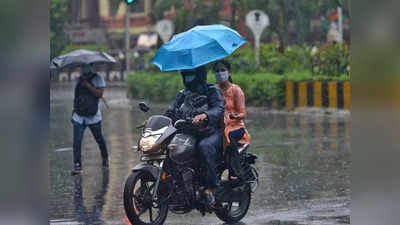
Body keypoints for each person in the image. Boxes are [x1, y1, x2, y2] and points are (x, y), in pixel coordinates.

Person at [165, 66, 224, 207]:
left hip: (210, 133)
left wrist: (206, 115)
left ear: (199, 75)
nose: (188, 78)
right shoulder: (182, 94)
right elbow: (170, 111)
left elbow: (219, 108)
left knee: (204, 148)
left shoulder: (212, 90)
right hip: (188, 132)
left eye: (191, 75)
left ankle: (210, 188)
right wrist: (157, 120)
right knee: (167, 148)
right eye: (185, 75)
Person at [212, 60, 253, 182]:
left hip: (235, 127)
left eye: (222, 70)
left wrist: (235, 116)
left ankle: (235, 173)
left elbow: (243, 113)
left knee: (227, 137)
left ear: (229, 72)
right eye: (217, 71)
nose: (220, 73)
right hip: (217, 125)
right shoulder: (213, 90)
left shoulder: (236, 90)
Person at [71, 64, 109, 175]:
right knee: (76, 142)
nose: (84, 69)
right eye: (83, 67)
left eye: (87, 67)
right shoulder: (77, 80)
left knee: (99, 139)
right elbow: (76, 97)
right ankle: (77, 165)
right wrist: (73, 112)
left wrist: (87, 85)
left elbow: (100, 94)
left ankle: (105, 158)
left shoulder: (98, 79)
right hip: (79, 116)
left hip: (94, 117)